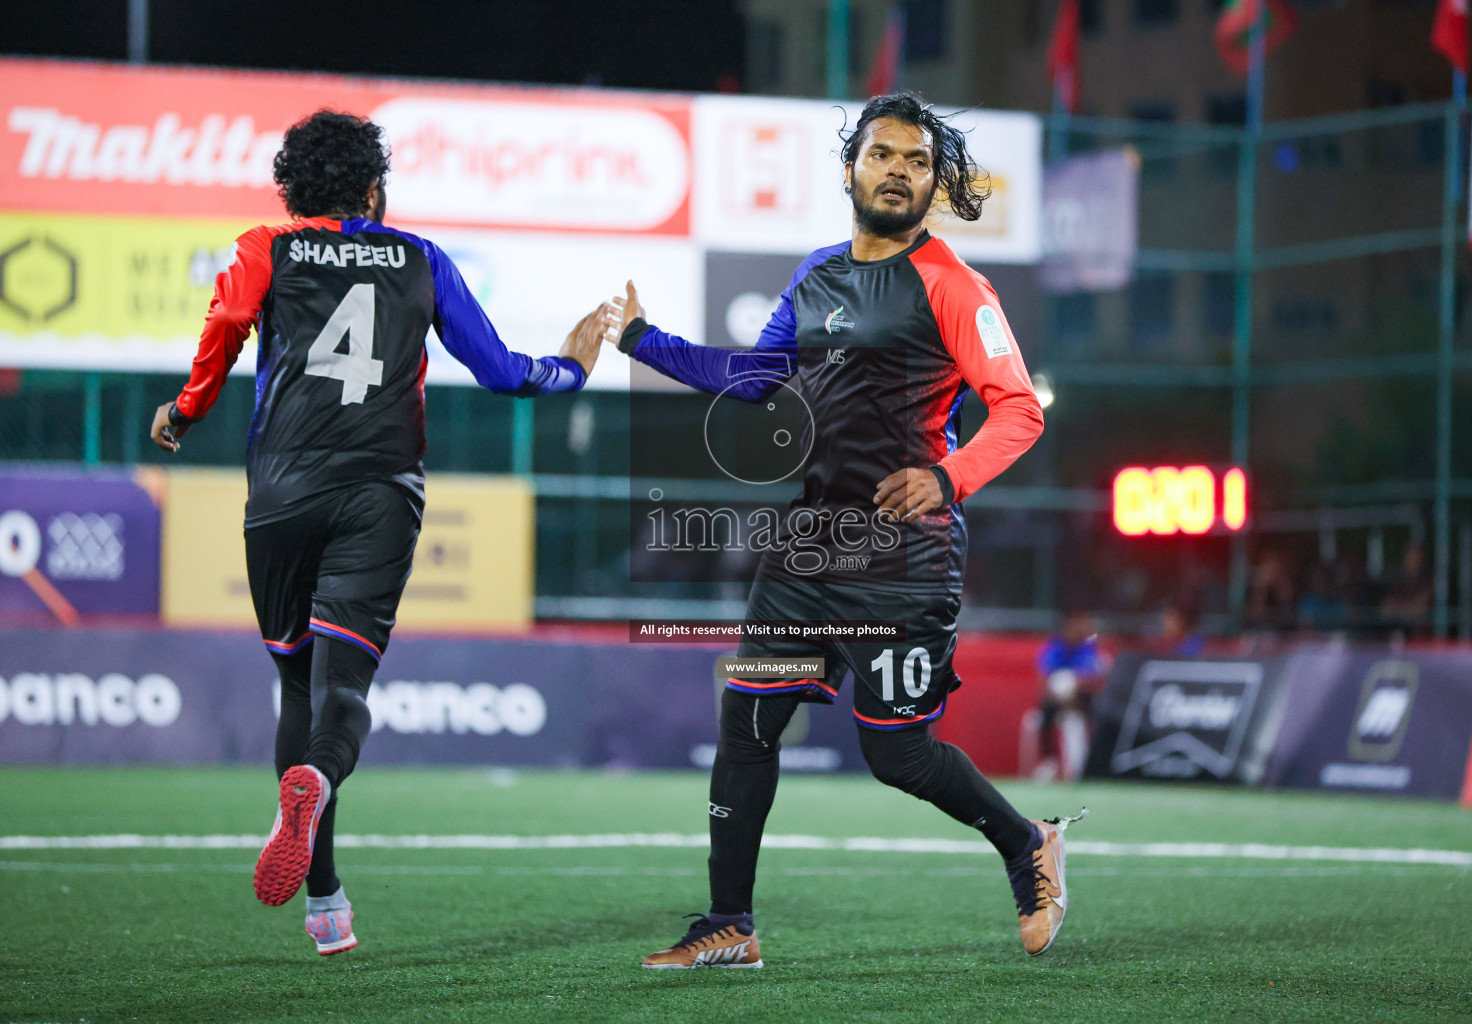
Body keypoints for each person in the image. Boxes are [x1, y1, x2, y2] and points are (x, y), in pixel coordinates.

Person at [610, 91, 1083, 969]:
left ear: (935, 183)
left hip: (903, 558)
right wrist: (641, 337)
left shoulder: (951, 283)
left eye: (916, 160)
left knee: (897, 753)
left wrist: (946, 476)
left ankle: (1028, 844)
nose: (898, 170)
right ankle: (729, 926)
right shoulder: (818, 274)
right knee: (747, 722)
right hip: (807, 550)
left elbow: (1019, 411)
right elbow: (754, 377)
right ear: (851, 168)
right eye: (883, 155)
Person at [149, 110, 610, 956]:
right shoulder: (422, 258)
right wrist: (572, 368)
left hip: (281, 494)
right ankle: (318, 784)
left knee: (295, 689)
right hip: (379, 493)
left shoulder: (265, 247)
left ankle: (325, 896)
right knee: (345, 691)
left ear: (295, 193)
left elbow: (222, 328)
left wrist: (187, 409)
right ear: (372, 188)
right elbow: (503, 372)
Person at [1034, 610, 1108, 781]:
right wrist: (1059, 695)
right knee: (1045, 713)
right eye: (1079, 624)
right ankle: (1049, 761)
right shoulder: (1055, 646)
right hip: (1055, 701)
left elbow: (1092, 680)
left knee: (1091, 718)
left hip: (1082, 702)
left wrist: (1075, 687)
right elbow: (1044, 679)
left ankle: (1087, 767)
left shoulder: (1089, 647)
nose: (1082, 628)